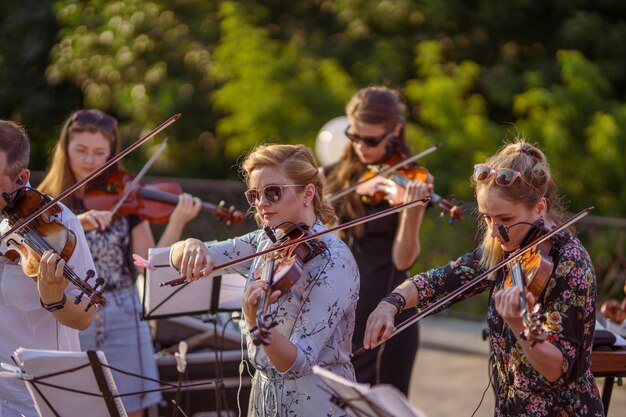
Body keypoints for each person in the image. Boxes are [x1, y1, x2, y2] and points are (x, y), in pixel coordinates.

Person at [363, 140, 605, 416]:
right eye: (487, 218)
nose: (493, 231)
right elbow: (442, 280)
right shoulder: (505, 247)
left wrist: (518, 324)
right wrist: (392, 302)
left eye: (504, 218)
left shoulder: (569, 261)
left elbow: (556, 369)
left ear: (539, 208)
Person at [169, 144, 360, 416]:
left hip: (315, 403)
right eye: (254, 195)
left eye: (273, 192)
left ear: (307, 193)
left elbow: (298, 362)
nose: (261, 204)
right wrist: (190, 245)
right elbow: (177, 257)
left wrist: (256, 323)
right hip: (264, 399)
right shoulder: (266, 241)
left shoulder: (334, 261)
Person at [38, 109, 202, 417]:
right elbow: (35, 259)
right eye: (81, 150)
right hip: (72, 312)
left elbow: (148, 265)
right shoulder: (46, 203)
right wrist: (77, 225)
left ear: (111, 155)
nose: (90, 160)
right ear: (65, 150)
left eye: (100, 153)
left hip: (124, 312)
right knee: (78, 408)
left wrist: (177, 221)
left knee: (132, 409)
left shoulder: (124, 196)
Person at [323, 86, 430, 394]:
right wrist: (351, 191)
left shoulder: (409, 181)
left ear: (394, 131)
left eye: (371, 140)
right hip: (340, 313)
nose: (361, 147)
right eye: (354, 136)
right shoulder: (336, 176)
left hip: (385, 314)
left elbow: (403, 260)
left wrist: (411, 214)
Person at [0, 120, 97, 417]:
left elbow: (86, 316)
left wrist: (54, 299)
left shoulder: (59, 225)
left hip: (38, 402)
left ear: (21, 177)